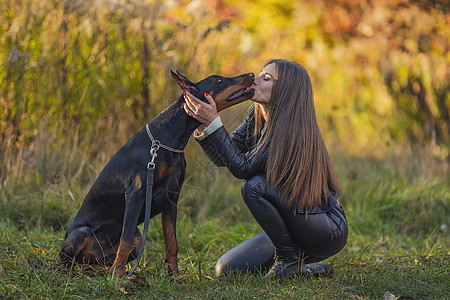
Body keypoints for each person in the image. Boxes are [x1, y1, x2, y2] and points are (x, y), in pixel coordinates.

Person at [183, 59, 348, 279]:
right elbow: (226, 158)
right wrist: (206, 126)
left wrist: (215, 122)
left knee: (254, 185)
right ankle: (304, 268)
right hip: (296, 225)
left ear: (286, 90)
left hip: (325, 228)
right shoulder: (257, 114)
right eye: (261, 73)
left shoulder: (289, 128)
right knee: (226, 269)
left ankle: (289, 261)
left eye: (266, 78)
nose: (255, 79)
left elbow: (243, 168)